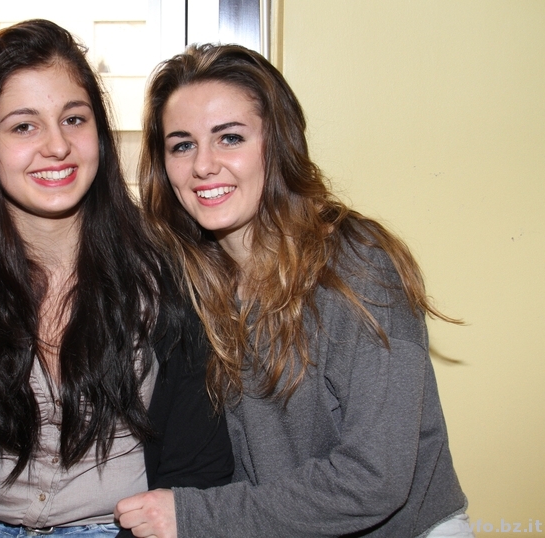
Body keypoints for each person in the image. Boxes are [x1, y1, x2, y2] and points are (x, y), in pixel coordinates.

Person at [0, 21, 232, 538]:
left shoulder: (169, 270)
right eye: (23, 126)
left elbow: (195, 473)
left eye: (74, 119)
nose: (57, 146)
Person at [115, 43, 472, 537]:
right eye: (182, 145)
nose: (203, 165)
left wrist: (197, 516)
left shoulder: (356, 268)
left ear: (279, 145)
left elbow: (375, 479)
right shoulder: (192, 280)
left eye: (230, 138)